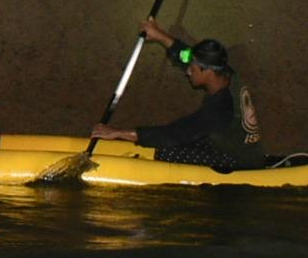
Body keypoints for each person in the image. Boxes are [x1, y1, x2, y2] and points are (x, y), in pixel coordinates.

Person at [93, 19, 262, 167]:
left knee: (167, 153)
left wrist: (119, 133)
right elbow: (187, 55)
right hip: (222, 139)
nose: (187, 71)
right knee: (171, 144)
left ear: (207, 72)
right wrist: (159, 35)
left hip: (238, 159)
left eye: (192, 69)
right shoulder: (224, 72)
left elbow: (176, 133)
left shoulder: (221, 108)